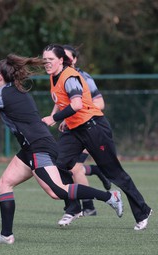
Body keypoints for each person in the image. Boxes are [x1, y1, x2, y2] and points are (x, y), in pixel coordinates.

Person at [0, 53, 123, 245]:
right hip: (30, 148)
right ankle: (6, 235)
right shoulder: (15, 92)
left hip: (38, 147)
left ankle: (110, 196)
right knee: (5, 183)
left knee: (58, 192)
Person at [42, 44, 152, 231]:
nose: (47, 63)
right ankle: (74, 207)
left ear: (61, 60)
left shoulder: (70, 77)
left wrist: (54, 118)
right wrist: (63, 118)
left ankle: (143, 211)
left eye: (50, 59)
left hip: (94, 128)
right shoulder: (54, 76)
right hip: (74, 130)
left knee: (115, 173)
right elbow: (63, 101)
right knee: (57, 163)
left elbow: (76, 104)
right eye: (44, 60)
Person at [58, 44, 111, 221]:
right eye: (61, 56)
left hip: (89, 128)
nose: (64, 60)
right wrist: (61, 118)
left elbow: (100, 103)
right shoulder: (59, 77)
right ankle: (96, 172)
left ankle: (87, 207)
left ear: (74, 60)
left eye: (67, 57)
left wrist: (74, 114)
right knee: (69, 166)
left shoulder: (82, 77)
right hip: (73, 131)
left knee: (75, 168)